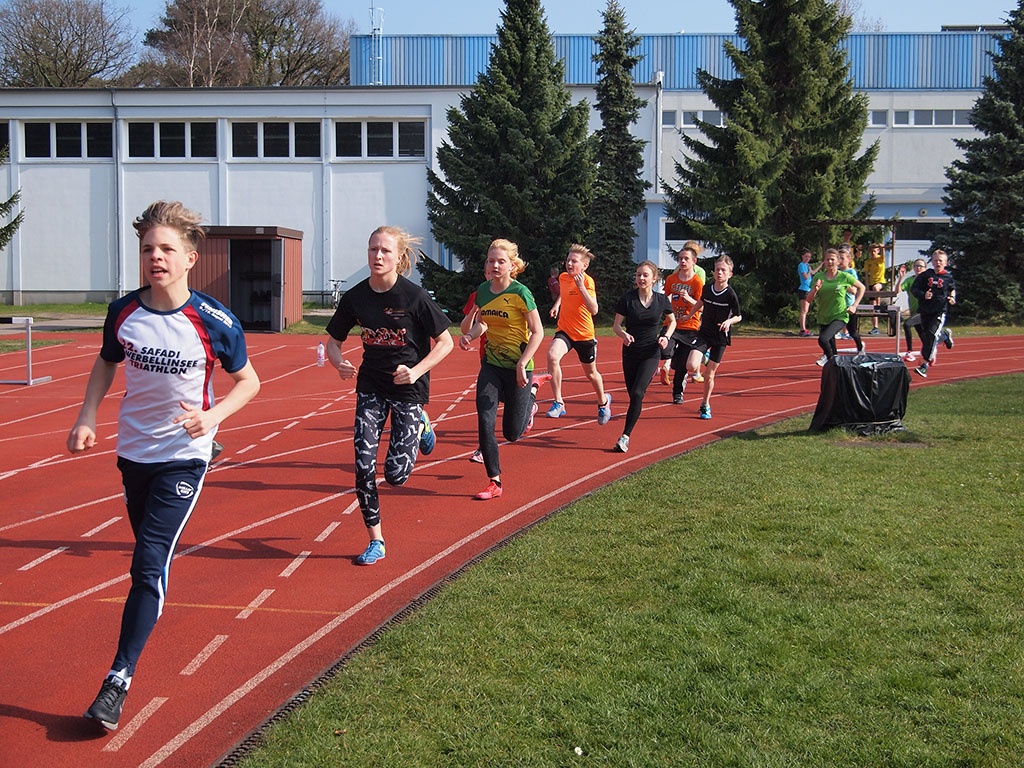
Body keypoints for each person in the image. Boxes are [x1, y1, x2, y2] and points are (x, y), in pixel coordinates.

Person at [66, 201, 261, 732]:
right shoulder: (124, 313)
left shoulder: (214, 320)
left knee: (148, 563)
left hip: (185, 456)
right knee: (148, 562)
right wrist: (87, 418)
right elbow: (107, 362)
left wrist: (212, 418)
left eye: (166, 249)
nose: (155, 257)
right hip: (133, 454)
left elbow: (250, 383)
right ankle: (145, 613)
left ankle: (118, 680)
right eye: (148, 248)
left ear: (190, 258)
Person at [325, 226, 454, 564]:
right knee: (364, 467)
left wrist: (417, 370)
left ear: (399, 257)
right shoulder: (356, 298)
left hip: (409, 389)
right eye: (373, 250)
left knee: (396, 475)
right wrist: (338, 363)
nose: (378, 256)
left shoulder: (414, 297)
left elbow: (446, 342)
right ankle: (376, 541)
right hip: (370, 387)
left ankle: (423, 425)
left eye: (384, 251)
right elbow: (333, 343)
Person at [459, 238, 547, 500]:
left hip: (519, 367)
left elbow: (538, 331)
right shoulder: (483, 291)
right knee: (485, 421)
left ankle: (531, 396)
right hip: (492, 366)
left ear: (512, 266)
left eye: (501, 261)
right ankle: (494, 481)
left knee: (512, 433)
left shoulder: (521, 293)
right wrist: (470, 336)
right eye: (490, 261)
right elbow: (483, 324)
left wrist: (523, 363)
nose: (495, 265)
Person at [611, 261, 675, 453]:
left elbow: (672, 322)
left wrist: (665, 337)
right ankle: (627, 431)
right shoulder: (627, 299)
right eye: (638, 275)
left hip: (651, 352)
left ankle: (624, 437)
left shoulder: (662, 300)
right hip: (630, 352)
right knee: (633, 395)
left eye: (645, 275)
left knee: (638, 393)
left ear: (654, 279)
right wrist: (623, 334)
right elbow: (616, 326)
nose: (641, 278)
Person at [545, 244, 611, 424]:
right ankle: (559, 402)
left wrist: (581, 286)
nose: (569, 263)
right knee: (552, 356)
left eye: (574, 261)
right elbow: (565, 293)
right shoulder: (564, 277)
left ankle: (603, 402)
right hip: (565, 330)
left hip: (584, 335)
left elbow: (594, 309)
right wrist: (557, 304)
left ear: (584, 266)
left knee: (591, 374)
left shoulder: (588, 281)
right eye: (568, 260)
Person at [688, 255, 742, 419]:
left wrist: (729, 321)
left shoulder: (731, 295)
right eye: (717, 269)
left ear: (730, 274)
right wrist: (690, 314)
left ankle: (705, 404)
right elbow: (700, 302)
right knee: (691, 365)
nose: (719, 273)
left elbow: (739, 316)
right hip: (704, 332)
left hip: (720, 337)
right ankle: (705, 357)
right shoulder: (707, 288)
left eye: (723, 270)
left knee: (709, 375)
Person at [659, 241, 704, 403]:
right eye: (680, 259)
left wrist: (688, 299)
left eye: (686, 259)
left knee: (682, 366)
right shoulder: (671, 279)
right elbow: (666, 297)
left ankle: (678, 393)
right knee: (664, 348)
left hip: (690, 326)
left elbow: (701, 306)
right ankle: (666, 360)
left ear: (694, 262)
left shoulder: (697, 282)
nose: (683, 262)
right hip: (671, 324)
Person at [807, 248, 866, 366]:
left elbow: (861, 288)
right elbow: (809, 299)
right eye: (827, 259)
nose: (829, 262)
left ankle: (831, 361)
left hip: (839, 315)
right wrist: (815, 289)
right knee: (831, 347)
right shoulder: (819, 277)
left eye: (832, 259)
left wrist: (854, 305)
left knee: (823, 340)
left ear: (838, 261)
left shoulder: (844, 276)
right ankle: (836, 365)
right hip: (824, 316)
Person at [909, 248, 957, 378]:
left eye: (940, 261)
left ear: (945, 262)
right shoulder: (926, 275)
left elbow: (952, 289)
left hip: (939, 311)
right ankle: (945, 336)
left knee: (931, 335)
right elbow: (914, 289)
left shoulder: (948, 277)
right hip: (925, 310)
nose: (937, 263)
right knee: (928, 338)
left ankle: (924, 365)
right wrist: (923, 294)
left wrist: (952, 298)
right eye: (935, 260)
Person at [461, 289, 486, 463]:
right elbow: (465, 328)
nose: (494, 269)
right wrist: (474, 311)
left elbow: (532, 329)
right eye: (490, 265)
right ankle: (483, 449)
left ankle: (530, 396)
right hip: (488, 357)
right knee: (486, 407)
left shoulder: (519, 293)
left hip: (513, 357)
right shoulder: (480, 294)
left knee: (513, 429)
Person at [838, 246, 866, 355]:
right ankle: (828, 354)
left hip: (848, 305)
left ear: (849, 259)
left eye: (842, 258)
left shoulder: (851, 272)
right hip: (837, 305)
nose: (840, 261)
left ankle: (860, 347)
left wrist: (842, 285)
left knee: (852, 331)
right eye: (838, 258)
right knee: (829, 331)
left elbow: (854, 290)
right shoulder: (836, 272)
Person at [897, 258, 927, 360]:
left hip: (924, 311)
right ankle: (943, 338)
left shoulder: (927, 281)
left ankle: (909, 351)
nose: (918, 268)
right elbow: (897, 291)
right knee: (923, 336)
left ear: (925, 268)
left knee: (907, 324)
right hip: (914, 312)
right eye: (916, 266)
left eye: (920, 266)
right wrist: (901, 278)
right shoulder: (910, 280)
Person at [864, 242, 887, 335]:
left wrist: (882, 248)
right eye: (872, 251)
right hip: (871, 283)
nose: (873, 252)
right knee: (872, 307)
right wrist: (866, 286)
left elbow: (884, 255)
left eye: (875, 251)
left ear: (877, 251)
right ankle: (875, 327)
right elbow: (866, 274)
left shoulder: (880, 259)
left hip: (880, 282)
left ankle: (878, 304)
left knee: (875, 288)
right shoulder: (868, 262)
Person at [797, 249, 819, 337]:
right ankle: (802, 329)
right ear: (802, 256)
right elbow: (806, 277)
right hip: (803, 289)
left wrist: (820, 266)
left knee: (805, 310)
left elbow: (813, 272)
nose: (807, 258)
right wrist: (809, 271)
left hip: (808, 289)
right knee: (804, 310)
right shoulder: (802, 265)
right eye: (806, 256)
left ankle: (803, 329)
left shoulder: (807, 265)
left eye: (809, 257)